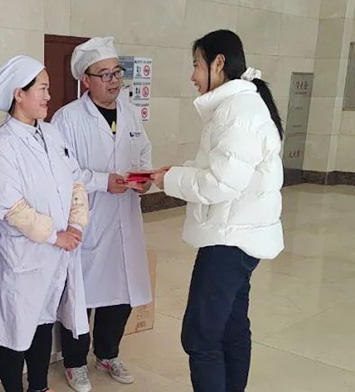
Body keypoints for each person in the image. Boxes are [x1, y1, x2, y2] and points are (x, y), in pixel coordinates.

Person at [151, 29, 284, 392]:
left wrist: (171, 180)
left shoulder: (238, 111)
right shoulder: (239, 106)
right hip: (238, 236)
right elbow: (221, 168)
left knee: (200, 336)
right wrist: (174, 173)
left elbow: (221, 183)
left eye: (197, 64)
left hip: (229, 240)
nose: (192, 75)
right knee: (230, 328)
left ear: (219, 63)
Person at [0, 55, 90, 392]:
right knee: (15, 333)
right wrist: (56, 236)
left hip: (56, 253)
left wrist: (76, 225)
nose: (48, 96)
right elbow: (11, 208)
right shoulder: (2, 146)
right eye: (42, 89)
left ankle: (39, 387)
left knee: (43, 324)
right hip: (23, 258)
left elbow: (75, 181)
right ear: (19, 94)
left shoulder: (52, 134)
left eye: (48, 88)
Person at [51, 36, 153, 392]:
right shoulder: (67, 119)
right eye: (104, 74)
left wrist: (145, 179)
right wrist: (101, 181)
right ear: (86, 80)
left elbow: (143, 152)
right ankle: (75, 362)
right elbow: (62, 172)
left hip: (125, 216)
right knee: (81, 296)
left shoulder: (129, 112)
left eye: (117, 72)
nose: (114, 81)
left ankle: (108, 354)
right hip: (88, 220)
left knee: (121, 292)